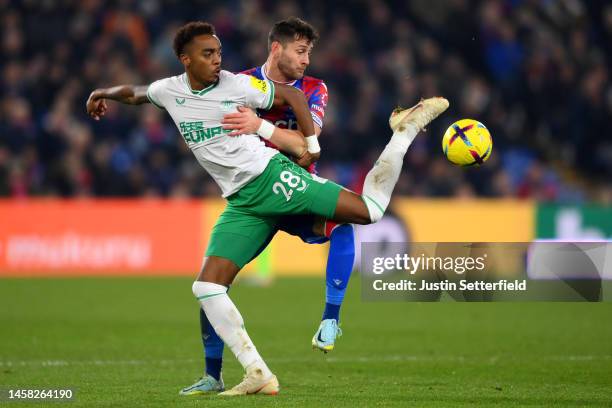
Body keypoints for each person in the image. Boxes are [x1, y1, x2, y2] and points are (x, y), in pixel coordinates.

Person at [86, 21, 448, 396]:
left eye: (219, 53)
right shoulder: (169, 90)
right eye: (208, 54)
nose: (216, 60)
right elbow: (137, 92)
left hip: (273, 178)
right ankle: (243, 374)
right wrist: (103, 93)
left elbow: (294, 100)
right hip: (241, 200)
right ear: (185, 59)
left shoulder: (236, 84)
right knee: (208, 286)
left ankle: (402, 134)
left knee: (367, 212)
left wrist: (304, 141)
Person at [181, 17, 356, 396]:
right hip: (251, 195)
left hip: (295, 189)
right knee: (211, 284)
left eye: (310, 52)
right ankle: (213, 375)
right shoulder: (237, 83)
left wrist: (259, 126)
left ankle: (330, 319)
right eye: (301, 51)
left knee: (345, 226)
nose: (307, 60)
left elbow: (306, 145)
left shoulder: (314, 88)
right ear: (276, 48)